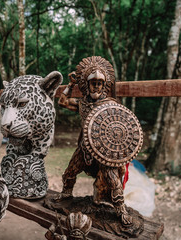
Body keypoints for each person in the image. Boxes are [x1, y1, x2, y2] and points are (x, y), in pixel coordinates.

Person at [57, 56, 134, 226]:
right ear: (86, 84)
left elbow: (122, 127)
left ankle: (121, 211)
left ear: (104, 84)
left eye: (100, 82)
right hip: (85, 148)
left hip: (104, 151)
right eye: (94, 82)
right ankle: (65, 196)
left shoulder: (111, 104)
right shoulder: (82, 103)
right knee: (69, 173)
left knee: (113, 181)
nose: (97, 85)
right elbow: (62, 101)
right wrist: (71, 85)